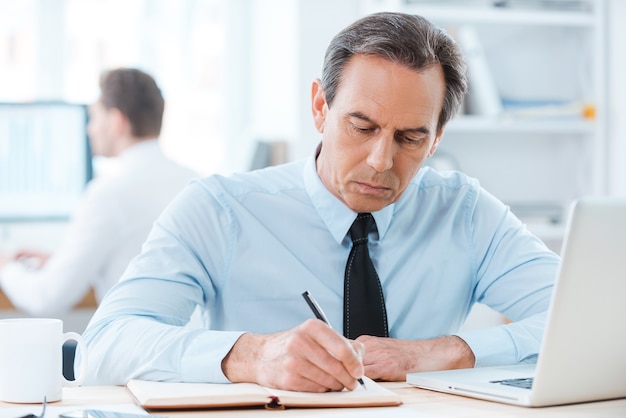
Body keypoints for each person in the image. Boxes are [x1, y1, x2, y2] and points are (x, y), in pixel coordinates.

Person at [79, 13, 559, 392]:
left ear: (435, 140)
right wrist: (251, 356)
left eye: (410, 137)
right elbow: (103, 347)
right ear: (319, 108)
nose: (380, 160)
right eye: (362, 126)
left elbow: (596, 324)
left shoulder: (466, 213)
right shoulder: (218, 209)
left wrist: (447, 352)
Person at [0, 68, 198, 317]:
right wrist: (61, 261)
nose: (89, 129)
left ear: (117, 122)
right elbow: (141, 263)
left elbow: (46, 298)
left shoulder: (110, 193)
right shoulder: (194, 181)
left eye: (94, 117)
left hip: (132, 350)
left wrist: (5, 266)